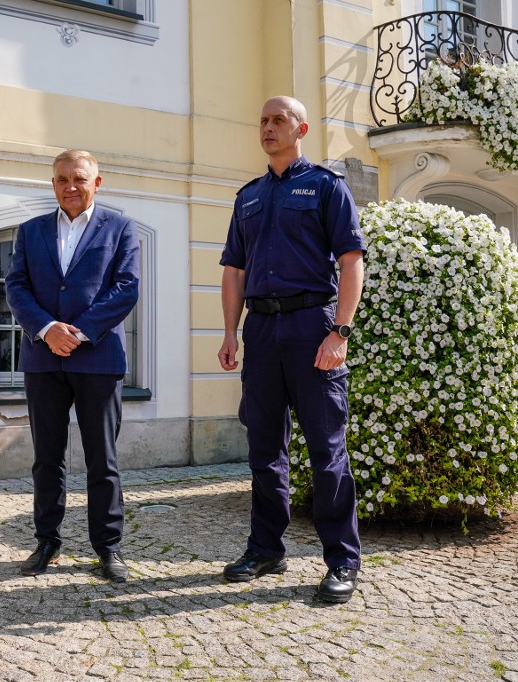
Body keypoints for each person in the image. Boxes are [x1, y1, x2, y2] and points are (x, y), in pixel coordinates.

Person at [217, 96, 365, 603]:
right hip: (260, 331)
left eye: (279, 120)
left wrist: (339, 332)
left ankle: (343, 560)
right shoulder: (249, 196)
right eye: (262, 120)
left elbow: (350, 260)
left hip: (312, 325)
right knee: (264, 450)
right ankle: (266, 549)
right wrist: (230, 332)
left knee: (326, 451)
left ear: (301, 128)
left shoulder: (326, 186)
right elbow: (234, 270)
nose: (268, 127)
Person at [5, 150, 140, 583]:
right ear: (54, 184)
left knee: (102, 458)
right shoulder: (30, 231)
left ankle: (109, 547)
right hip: (43, 359)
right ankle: (47, 541)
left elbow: (126, 288)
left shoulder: (120, 228)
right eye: (62, 179)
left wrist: (77, 331)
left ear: (97, 183)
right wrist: (47, 329)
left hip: (97, 358)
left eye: (79, 178)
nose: (70, 186)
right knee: (47, 457)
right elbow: (17, 286)